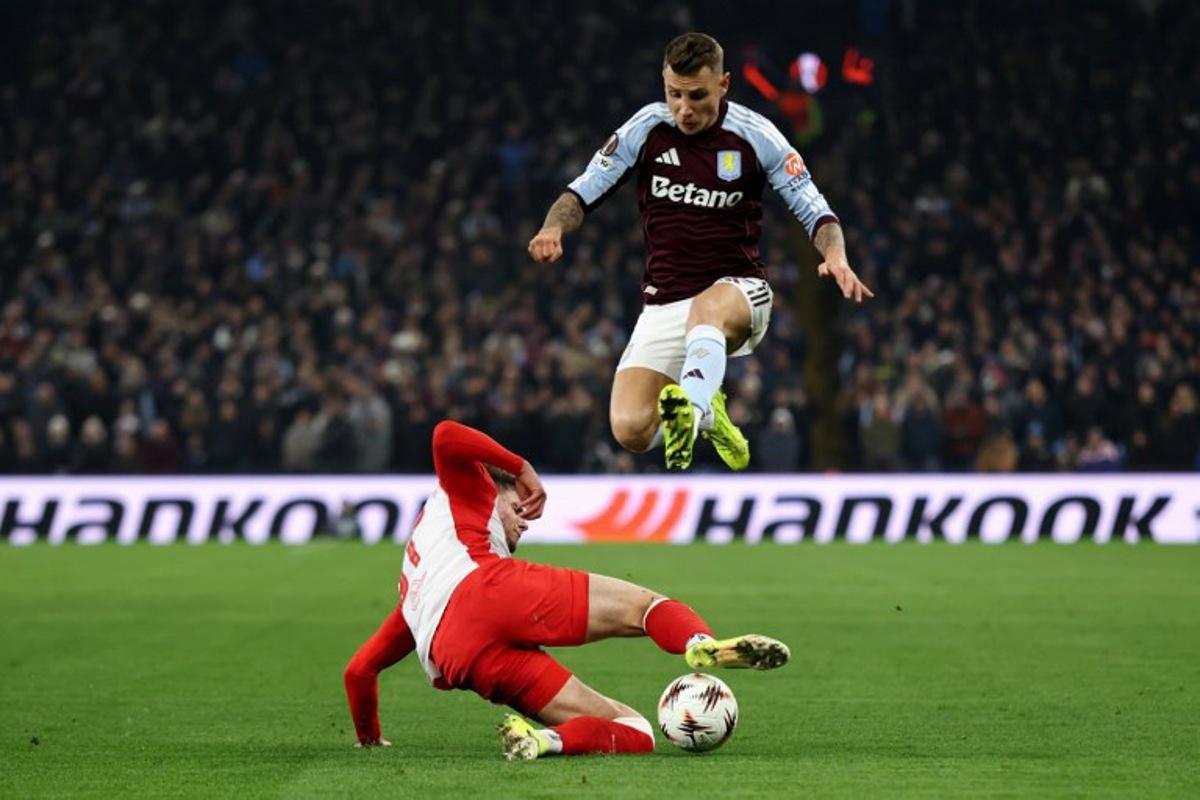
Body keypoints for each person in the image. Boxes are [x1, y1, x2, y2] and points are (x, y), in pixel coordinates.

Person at [343, 420, 790, 760]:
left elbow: (359, 670)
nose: (522, 523)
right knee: (647, 607)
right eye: (518, 510)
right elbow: (444, 435)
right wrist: (521, 468)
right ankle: (698, 643)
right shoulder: (470, 488)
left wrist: (369, 740)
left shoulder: (416, 593)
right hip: (488, 590)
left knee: (634, 730)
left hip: (460, 656)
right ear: (496, 489)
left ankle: (543, 741)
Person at [528, 32, 872, 471]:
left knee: (707, 309)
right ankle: (709, 411)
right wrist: (553, 227)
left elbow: (816, 211)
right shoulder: (647, 128)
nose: (684, 109)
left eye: (697, 95)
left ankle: (697, 407)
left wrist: (835, 256)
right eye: (674, 94)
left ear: (724, 84)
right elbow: (582, 190)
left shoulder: (755, 135)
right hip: (665, 302)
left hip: (738, 292)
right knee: (630, 429)